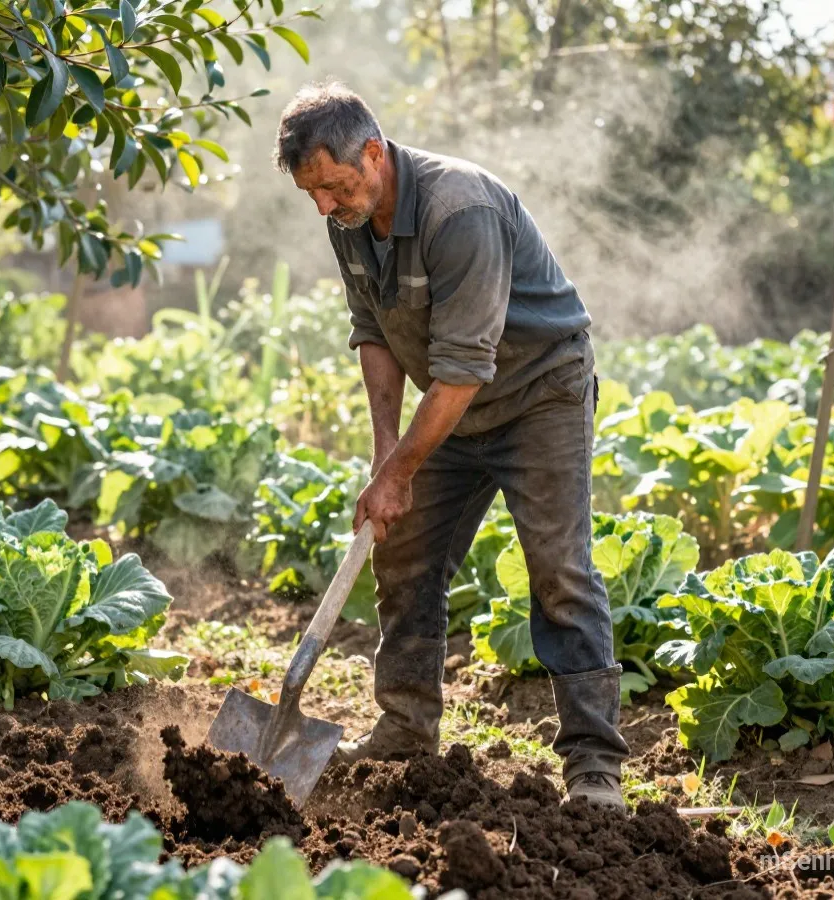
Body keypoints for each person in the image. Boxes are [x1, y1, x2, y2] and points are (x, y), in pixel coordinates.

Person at [272, 81, 630, 809]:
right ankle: (406, 730)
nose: (325, 207)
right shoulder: (349, 217)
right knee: (402, 552)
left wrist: (402, 468)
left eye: (335, 187)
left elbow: (466, 367)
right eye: (313, 193)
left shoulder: (458, 210)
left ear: (374, 153)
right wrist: (386, 456)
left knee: (559, 569)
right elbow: (374, 332)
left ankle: (594, 765)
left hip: (538, 395)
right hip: (452, 405)